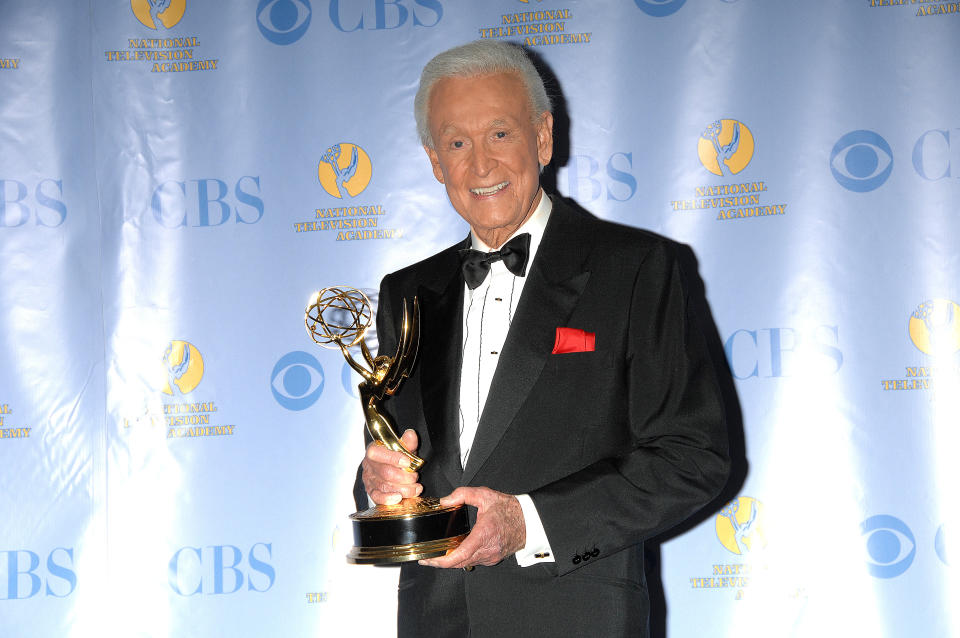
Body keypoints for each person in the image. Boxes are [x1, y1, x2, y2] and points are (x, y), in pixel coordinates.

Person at [356, 40, 730, 637]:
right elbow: (401, 456)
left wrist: (526, 523)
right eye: (457, 143)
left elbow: (692, 459)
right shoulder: (407, 292)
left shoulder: (635, 269)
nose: (480, 165)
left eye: (500, 134)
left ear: (544, 136)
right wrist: (379, 484)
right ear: (434, 162)